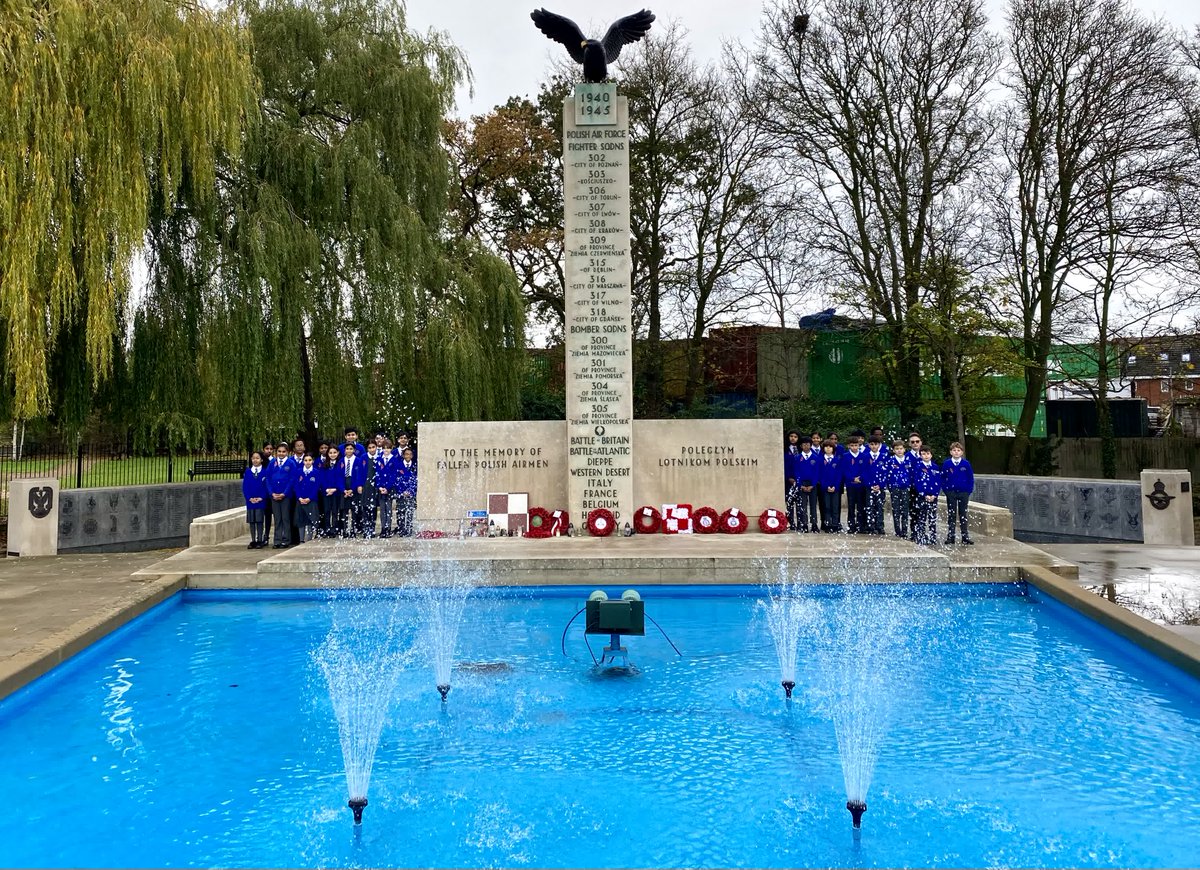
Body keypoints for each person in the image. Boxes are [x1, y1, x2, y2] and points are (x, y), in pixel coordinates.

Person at [941, 441, 975, 546]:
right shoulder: (947, 464)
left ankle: (965, 536)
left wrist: (968, 490)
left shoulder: (966, 464)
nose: (956, 452)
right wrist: (946, 490)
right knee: (952, 514)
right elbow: (943, 478)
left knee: (963, 514)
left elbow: (970, 478)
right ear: (951, 452)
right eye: (954, 450)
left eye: (958, 450)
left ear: (962, 452)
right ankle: (951, 536)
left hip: (963, 492)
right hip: (951, 492)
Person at [266, 443, 295, 548]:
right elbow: (268, 479)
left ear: (287, 452)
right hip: (274, 495)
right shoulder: (272, 463)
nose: (281, 453)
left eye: (283, 451)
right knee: (277, 518)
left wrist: (284, 493)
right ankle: (277, 540)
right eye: (279, 451)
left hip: (285, 495)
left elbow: (292, 479)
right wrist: (272, 493)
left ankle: (286, 540)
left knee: (285, 518)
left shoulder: (291, 463)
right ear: (276, 452)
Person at [882, 440, 913, 538]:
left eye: (901, 449)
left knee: (905, 510)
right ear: (893, 450)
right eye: (897, 449)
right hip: (895, 488)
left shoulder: (908, 461)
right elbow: (887, 475)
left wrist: (909, 485)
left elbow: (911, 475)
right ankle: (897, 530)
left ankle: (904, 530)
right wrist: (890, 487)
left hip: (905, 488)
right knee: (896, 510)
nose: (899, 451)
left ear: (904, 449)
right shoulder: (890, 461)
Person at [913, 446, 942, 546]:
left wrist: (935, 494)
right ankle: (920, 536)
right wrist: (924, 494)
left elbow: (938, 482)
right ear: (920, 455)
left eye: (928, 454)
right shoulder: (918, 466)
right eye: (924, 454)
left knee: (932, 518)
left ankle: (932, 537)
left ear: (931, 455)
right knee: (922, 517)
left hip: (933, 497)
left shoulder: (935, 467)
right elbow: (917, 482)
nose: (926, 456)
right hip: (922, 496)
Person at [841, 435, 869, 534]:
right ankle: (851, 525)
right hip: (850, 485)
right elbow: (844, 470)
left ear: (859, 445)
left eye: (856, 445)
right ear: (848, 446)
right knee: (851, 505)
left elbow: (866, 470)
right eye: (852, 445)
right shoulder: (845, 456)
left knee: (861, 506)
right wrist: (853, 478)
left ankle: (861, 525)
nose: (854, 447)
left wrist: (860, 478)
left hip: (861, 484)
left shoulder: (864, 456)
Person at [242, 450, 269, 549]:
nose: (255, 460)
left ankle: (260, 539)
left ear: (261, 459)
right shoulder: (248, 472)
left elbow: (266, 486)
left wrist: (261, 497)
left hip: (260, 501)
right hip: (250, 502)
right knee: (252, 521)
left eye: (257, 458)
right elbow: (245, 487)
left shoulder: (265, 472)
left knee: (259, 520)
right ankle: (253, 540)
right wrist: (249, 498)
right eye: (253, 458)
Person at [294, 453, 321, 542]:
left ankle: (309, 539)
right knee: (301, 520)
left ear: (312, 461)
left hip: (311, 500)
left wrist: (309, 498)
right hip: (300, 500)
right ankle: (301, 539)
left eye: (309, 460)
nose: (308, 462)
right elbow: (296, 486)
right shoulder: (298, 471)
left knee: (311, 520)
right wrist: (299, 498)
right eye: (305, 460)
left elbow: (316, 487)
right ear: (303, 461)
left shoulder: (316, 472)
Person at [341, 442, 367, 536]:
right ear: (344, 450)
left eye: (351, 449)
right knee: (344, 510)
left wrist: (353, 489)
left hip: (353, 486)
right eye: (347, 449)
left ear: (354, 450)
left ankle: (353, 530)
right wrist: (343, 489)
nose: (349, 451)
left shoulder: (358, 460)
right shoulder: (341, 461)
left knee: (354, 509)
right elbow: (339, 477)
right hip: (344, 487)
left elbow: (359, 476)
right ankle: (344, 530)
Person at [817, 438, 843, 532]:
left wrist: (835, 486)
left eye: (830, 447)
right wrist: (826, 486)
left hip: (835, 488)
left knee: (835, 506)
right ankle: (827, 525)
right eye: (826, 447)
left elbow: (839, 475)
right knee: (826, 506)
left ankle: (835, 525)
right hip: (825, 488)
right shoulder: (820, 460)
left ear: (833, 448)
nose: (828, 449)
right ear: (823, 448)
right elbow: (819, 475)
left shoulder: (837, 460)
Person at [864, 434, 887, 535]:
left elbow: (886, 472)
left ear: (879, 445)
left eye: (876, 444)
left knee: (879, 506)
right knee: (869, 506)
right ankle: (870, 526)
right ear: (869, 445)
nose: (874, 446)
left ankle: (880, 526)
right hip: (869, 487)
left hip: (880, 487)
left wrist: (880, 485)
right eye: (872, 444)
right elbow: (864, 472)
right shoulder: (865, 457)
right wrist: (870, 484)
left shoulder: (884, 457)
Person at [320, 445, 345, 536]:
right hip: (326, 492)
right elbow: (322, 478)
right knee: (326, 511)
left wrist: (335, 489)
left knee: (335, 511)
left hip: (336, 491)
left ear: (338, 453)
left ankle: (335, 528)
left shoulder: (341, 464)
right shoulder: (324, 465)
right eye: (330, 453)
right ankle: (327, 528)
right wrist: (326, 489)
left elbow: (340, 478)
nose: (332, 454)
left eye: (334, 452)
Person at [376, 439, 398, 537]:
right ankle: (383, 528)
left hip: (389, 488)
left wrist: (387, 487)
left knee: (388, 508)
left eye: (388, 448)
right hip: (381, 488)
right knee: (382, 509)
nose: (386, 450)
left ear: (391, 448)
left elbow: (394, 475)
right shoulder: (379, 459)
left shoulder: (394, 459)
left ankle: (388, 528)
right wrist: (380, 486)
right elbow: (377, 474)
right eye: (384, 448)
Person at [905, 433, 924, 541]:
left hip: (922, 488)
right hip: (911, 488)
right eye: (912, 442)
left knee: (922, 511)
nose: (915, 443)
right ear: (909, 444)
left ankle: (921, 532)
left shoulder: (925, 455)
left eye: (917, 441)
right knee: (913, 511)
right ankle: (914, 532)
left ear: (921, 442)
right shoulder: (907, 456)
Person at [395, 446, 417, 537]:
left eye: (410, 454)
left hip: (411, 493)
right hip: (401, 493)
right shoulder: (399, 466)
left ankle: (409, 529)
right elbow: (396, 480)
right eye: (406, 454)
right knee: (400, 511)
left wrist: (410, 491)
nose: (408, 456)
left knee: (410, 511)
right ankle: (401, 529)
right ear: (403, 455)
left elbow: (416, 480)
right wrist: (402, 491)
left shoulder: (415, 466)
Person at [360, 441, 381, 536]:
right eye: (370, 447)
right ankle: (366, 529)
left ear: (376, 447)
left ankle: (372, 529)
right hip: (366, 486)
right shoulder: (363, 457)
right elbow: (359, 473)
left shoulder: (379, 457)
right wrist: (360, 485)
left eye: (373, 447)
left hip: (375, 487)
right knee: (365, 508)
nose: (372, 449)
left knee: (373, 508)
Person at [784, 430, 803, 532]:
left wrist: (798, 479)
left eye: (795, 436)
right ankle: (791, 523)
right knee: (789, 502)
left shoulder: (801, 449)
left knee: (800, 502)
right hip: (788, 480)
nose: (793, 438)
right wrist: (788, 477)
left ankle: (801, 523)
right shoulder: (784, 449)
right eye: (791, 436)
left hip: (800, 480)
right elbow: (783, 465)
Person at [261, 440, 276, 543]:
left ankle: (271, 535)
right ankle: (264, 535)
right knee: (265, 514)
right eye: (267, 449)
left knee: (272, 514)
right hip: (263, 492)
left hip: (272, 491)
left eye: (271, 449)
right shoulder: (260, 460)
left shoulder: (274, 461)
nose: (269, 451)